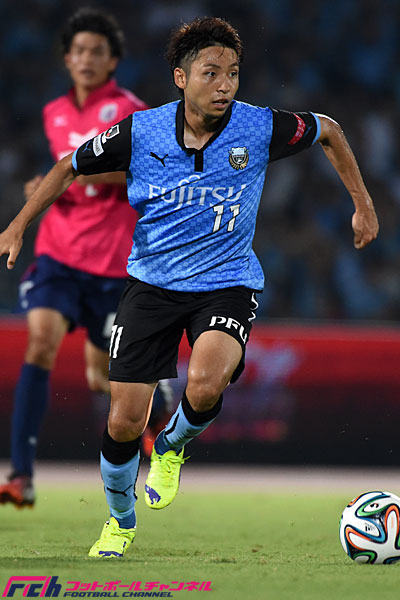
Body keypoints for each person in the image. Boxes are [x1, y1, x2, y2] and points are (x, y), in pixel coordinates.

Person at [0, 16, 378, 556]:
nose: (225, 85)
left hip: (227, 282)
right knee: (123, 420)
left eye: (233, 73)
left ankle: (172, 445)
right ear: (181, 78)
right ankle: (120, 522)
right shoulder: (140, 131)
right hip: (151, 287)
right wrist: (18, 225)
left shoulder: (258, 127)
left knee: (203, 385)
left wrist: (363, 205)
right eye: (211, 73)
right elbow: (69, 166)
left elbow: (329, 130)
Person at [0, 7, 172, 509]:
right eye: (78, 51)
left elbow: (149, 169)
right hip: (58, 255)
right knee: (40, 343)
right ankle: (22, 475)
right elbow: (61, 170)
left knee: (102, 379)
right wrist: (46, 185)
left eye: (97, 51)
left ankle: (159, 402)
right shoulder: (54, 111)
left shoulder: (131, 110)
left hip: (112, 266)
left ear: (113, 60)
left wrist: (75, 174)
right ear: (67, 59)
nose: (86, 59)